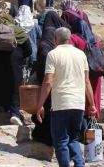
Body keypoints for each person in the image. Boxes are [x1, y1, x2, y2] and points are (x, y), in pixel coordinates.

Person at [35, 27, 96, 167]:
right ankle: (79, 164)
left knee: (61, 140)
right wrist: (92, 104)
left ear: (55, 39)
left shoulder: (53, 54)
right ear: (69, 38)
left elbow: (48, 81)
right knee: (73, 138)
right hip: (78, 103)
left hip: (61, 103)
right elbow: (87, 81)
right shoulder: (81, 54)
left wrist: (40, 104)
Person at [0, 13, 32, 125]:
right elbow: (29, 50)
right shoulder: (18, 30)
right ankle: (15, 113)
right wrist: (21, 57)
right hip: (15, 62)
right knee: (14, 86)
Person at [31, 10, 70, 145]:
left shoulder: (44, 44)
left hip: (47, 82)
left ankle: (46, 138)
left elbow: (43, 69)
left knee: (46, 112)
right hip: (60, 84)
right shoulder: (59, 44)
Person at [67, 3, 103, 119]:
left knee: (83, 95)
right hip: (95, 71)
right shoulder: (96, 41)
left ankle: (84, 119)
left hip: (82, 72)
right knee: (94, 94)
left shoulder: (74, 38)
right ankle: (93, 116)